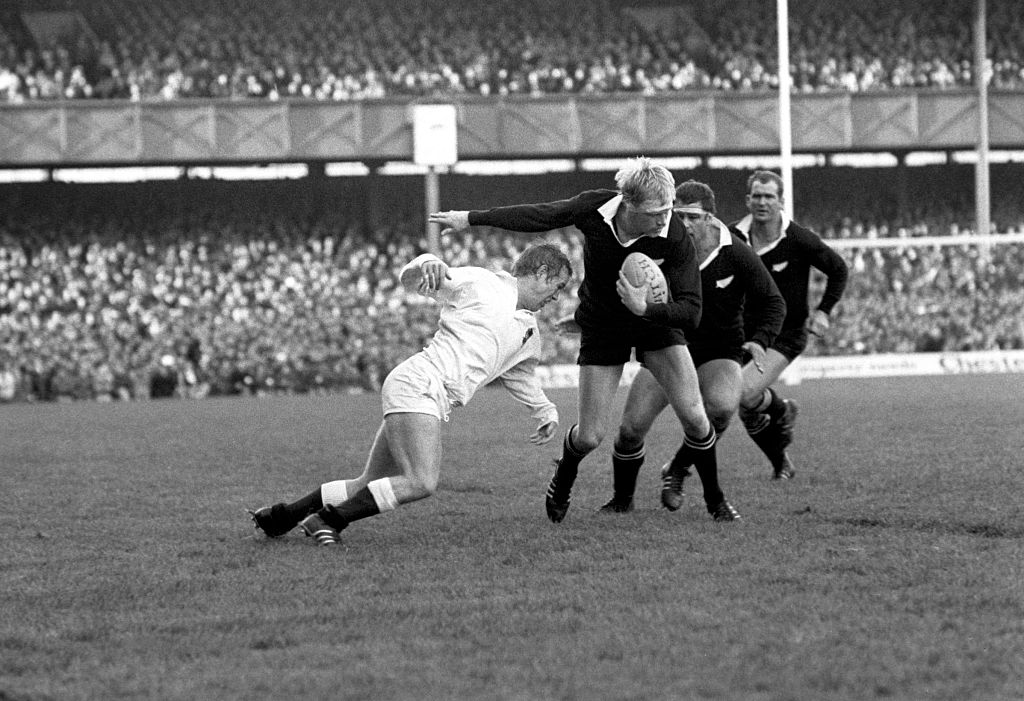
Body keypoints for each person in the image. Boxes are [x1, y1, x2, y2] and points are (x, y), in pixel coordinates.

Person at [429, 157, 738, 522]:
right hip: (604, 325)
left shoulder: (674, 235)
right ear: (628, 203)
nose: (664, 218)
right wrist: (471, 218)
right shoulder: (596, 208)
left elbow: (691, 311)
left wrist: (646, 310)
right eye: (655, 211)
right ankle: (564, 476)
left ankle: (716, 501)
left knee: (697, 418)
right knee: (590, 436)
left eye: (668, 210)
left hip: (656, 324)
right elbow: (541, 215)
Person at [250, 242, 573, 545]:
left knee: (367, 483)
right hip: (419, 383)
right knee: (421, 481)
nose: (556, 298)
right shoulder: (485, 283)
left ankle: (282, 517)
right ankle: (328, 521)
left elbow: (520, 374)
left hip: (422, 392)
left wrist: (545, 410)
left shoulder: (529, 331)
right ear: (542, 273)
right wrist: (427, 263)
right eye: (558, 287)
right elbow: (417, 276)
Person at [598, 180, 785, 512]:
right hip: (668, 345)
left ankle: (678, 469)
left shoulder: (736, 253)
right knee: (630, 429)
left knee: (723, 407)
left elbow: (773, 302)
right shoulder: (656, 248)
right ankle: (621, 501)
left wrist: (760, 341)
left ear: (710, 218)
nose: (682, 225)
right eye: (676, 216)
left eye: (691, 217)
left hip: (719, 350)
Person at [732, 170, 848, 479]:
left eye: (769, 196)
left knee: (742, 393)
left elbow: (838, 269)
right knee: (748, 406)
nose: (762, 202)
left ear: (781, 201)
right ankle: (781, 461)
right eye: (757, 195)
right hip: (744, 335)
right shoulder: (732, 238)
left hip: (786, 333)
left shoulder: (799, 239)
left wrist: (824, 311)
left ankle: (781, 411)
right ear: (747, 200)